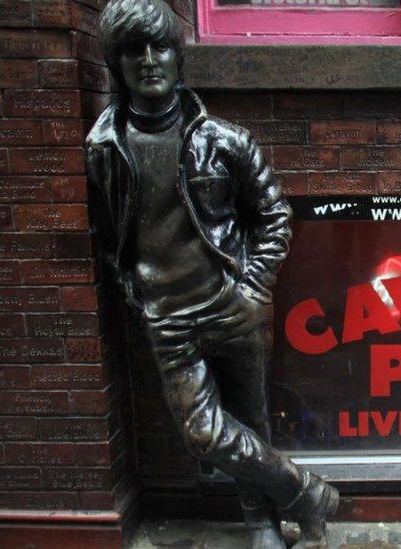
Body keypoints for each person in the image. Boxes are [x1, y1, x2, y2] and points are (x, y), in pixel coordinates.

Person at [84, 0, 338, 546]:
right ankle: (308, 493)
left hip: (231, 304)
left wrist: (252, 288)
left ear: (179, 58)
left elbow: (274, 215)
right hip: (167, 316)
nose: (149, 60)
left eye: (161, 48)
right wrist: (134, 288)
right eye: (133, 51)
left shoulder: (226, 140)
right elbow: (110, 234)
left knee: (251, 419)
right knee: (204, 433)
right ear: (116, 64)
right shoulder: (103, 149)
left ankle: (263, 523)